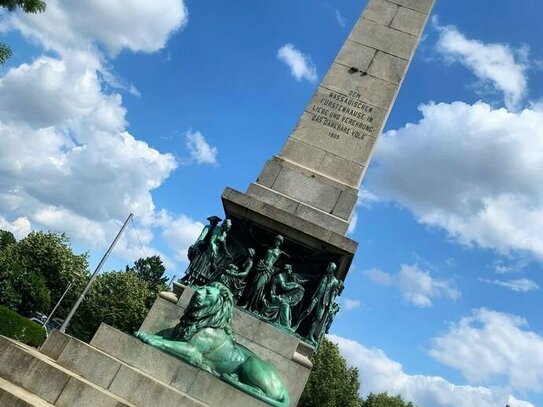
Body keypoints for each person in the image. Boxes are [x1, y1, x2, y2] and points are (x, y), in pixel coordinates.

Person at [241, 235, 288, 314]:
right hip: (260, 268)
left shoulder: (280, 253)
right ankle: (246, 304)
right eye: (276, 240)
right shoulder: (268, 248)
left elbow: (284, 262)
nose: (277, 242)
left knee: (257, 287)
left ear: (280, 243)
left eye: (279, 241)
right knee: (253, 285)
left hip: (267, 271)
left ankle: (251, 306)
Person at [262, 264, 305, 331]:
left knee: (287, 305)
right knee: (285, 305)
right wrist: (297, 285)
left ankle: (283, 323)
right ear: (287, 270)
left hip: (277, 296)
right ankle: (285, 325)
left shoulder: (285, 277)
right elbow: (284, 287)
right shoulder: (280, 276)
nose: (291, 271)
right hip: (272, 295)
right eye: (290, 269)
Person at [181, 216, 222, 284]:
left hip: (202, 248)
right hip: (209, 250)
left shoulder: (207, 227)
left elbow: (201, 237)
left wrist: (195, 246)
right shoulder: (217, 229)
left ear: (211, 221)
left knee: (194, 263)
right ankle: (191, 279)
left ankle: (188, 278)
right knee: (200, 265)